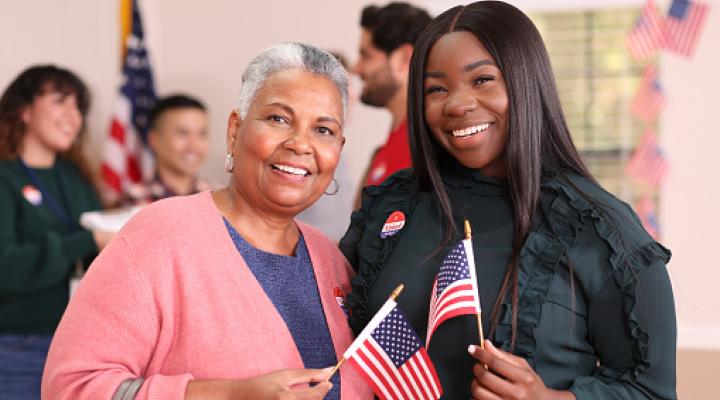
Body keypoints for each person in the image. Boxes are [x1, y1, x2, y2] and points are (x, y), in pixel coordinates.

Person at [340, 2, 676, 399]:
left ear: (524, 80)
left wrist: (548, 399)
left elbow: (651, 391)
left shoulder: (599, 226)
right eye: (436, 88)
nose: (457, 104)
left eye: (482, 80)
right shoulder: (390, 207)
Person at [42, 43, 372, 400]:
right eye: (279, 119)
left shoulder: (333, 261)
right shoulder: (159, 236)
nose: (300, 144)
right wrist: (228, 395)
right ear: (234, 130)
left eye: (323, 130)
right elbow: (71, 388)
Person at [0, 65, 113, 399]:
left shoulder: (76, 177)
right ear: (23, 110)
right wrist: (88, 240)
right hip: (19, 348)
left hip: (82, 348)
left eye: (78, 106)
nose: (73, 115)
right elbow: (5, 267)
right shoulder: (4, 177)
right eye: (60, 101)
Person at [351, 2, 431, 191]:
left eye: (366, 55)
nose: (356, 68)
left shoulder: (425, 148)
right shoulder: (390, 145)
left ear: (404, 58)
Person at [122, 94, 211, 205]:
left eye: (202, 134)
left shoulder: (216, 199)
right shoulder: (134, 200)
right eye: (182, 133)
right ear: (154, 140)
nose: (194, 146)